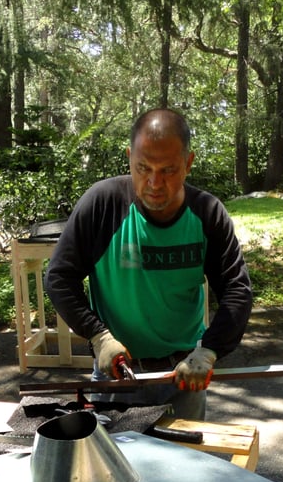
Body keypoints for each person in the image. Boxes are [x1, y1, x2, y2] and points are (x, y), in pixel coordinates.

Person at [44, 108, 253, 420]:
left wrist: (209, 350)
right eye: (143, 168)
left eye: (168, 170)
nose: (155, 183)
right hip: (117, 373)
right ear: (129, 157)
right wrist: (98, 336)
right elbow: (59, 277)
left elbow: (237, 290)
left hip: (183, 375)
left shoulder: (208, 214)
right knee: (113, 467)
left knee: (183, 465)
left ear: (188, 163)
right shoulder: (103, 205)